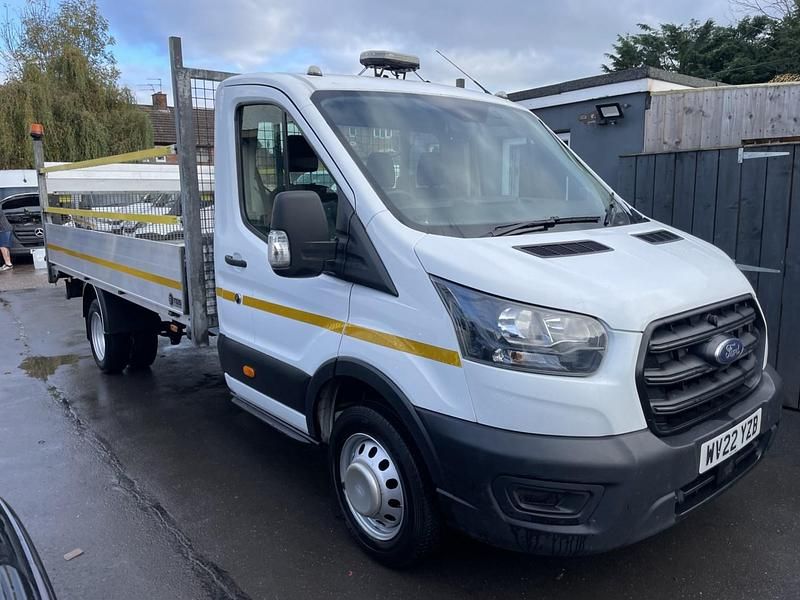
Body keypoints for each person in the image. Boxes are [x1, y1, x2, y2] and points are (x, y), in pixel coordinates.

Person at [0, 205, 13, 271]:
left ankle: (8, 264)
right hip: (6, 229)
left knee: (3, 246)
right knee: (5, 246)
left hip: (4, 229)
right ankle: (8, 263)